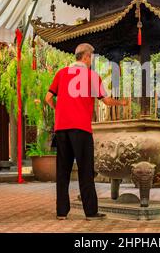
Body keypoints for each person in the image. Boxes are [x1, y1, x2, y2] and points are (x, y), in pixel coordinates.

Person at [45, 43, 127, 221]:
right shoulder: (91, 76)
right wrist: (122, 103)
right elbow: (106, 100)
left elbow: (48, 97)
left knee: (62, 171)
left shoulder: (61, 73)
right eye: (92, 57)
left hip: (61, 129)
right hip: (81, 129)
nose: (92, 61)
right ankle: (90, 212)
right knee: (85, 171)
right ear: (86, 57)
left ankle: (61, 212)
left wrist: (58, 110)